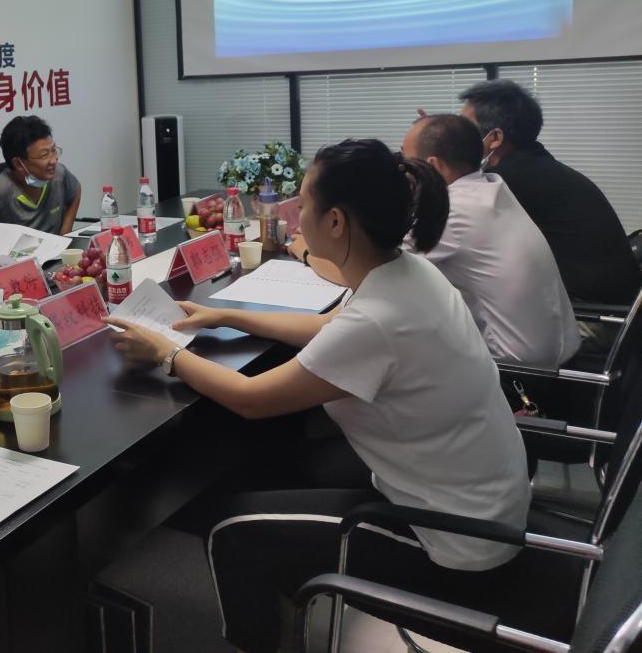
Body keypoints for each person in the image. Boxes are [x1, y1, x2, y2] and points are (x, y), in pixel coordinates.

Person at [106, 140, 535, 651]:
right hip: (481, 501)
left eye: (304, 202)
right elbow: (330, 327)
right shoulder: (405, 272)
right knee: (295, 462)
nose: (295, 215)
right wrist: (227, 315)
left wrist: (165, 352)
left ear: (335, 222)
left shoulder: (379, 317)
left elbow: (250, 398)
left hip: (452, 546)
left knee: (232, 530)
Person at [396, 113, 579, 366]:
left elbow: (382, 267)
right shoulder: (491, 188)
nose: (404, 172)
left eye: (406, 163)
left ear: (434, 166)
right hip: (559, 350)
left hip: (517, 371)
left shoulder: (453, 210)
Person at [458, 79, 640, 310]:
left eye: (463, 128)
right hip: (618, 306)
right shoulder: (535, 164)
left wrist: (436, 153)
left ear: (495, 138)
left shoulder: (505, 180)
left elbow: (451, 229)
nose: (455, 135)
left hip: (592, 315)